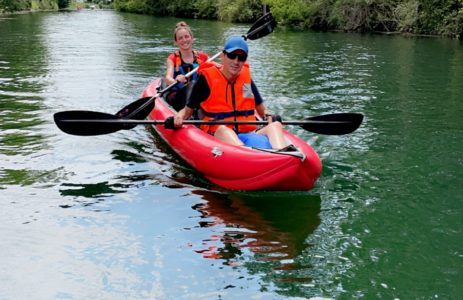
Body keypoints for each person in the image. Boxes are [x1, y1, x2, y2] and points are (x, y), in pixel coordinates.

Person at [171, 36, 288, 150]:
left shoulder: (245, 81)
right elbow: (187, 111)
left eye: (241, 58)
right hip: (218, 134)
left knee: (275, 126)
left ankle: (285, 155)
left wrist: (269, 116)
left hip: (246, 133)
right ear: (223, 55)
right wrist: (179, 116)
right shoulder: (206, 80)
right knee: (224, 130)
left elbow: (262, 111)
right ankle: (248, 157)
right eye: (232, 56)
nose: (236, 62)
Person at [165, 21, 209, 111]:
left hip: (198, 97)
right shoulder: (172, 58)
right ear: (176, 42)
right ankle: (188, 113)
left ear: (192, 38)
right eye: (180, 38)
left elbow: (219, 69)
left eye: (186, 37)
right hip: (179, 97)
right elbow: (168, 79)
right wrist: (176, 80)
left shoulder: (203, 57)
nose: (184, 40)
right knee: (192, 83)